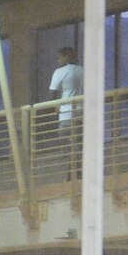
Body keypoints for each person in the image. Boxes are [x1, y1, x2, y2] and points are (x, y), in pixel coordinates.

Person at [48, 47, 83, 180]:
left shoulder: (60, 71)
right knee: (76, 144)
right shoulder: (82, 70)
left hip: (67, 114)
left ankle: (74, 174)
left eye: (60, 57)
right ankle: (74, 174)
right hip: (81, 113)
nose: (58, 60)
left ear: (66, 57)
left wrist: (56, 104)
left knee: (66, 143)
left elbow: (52, 93)